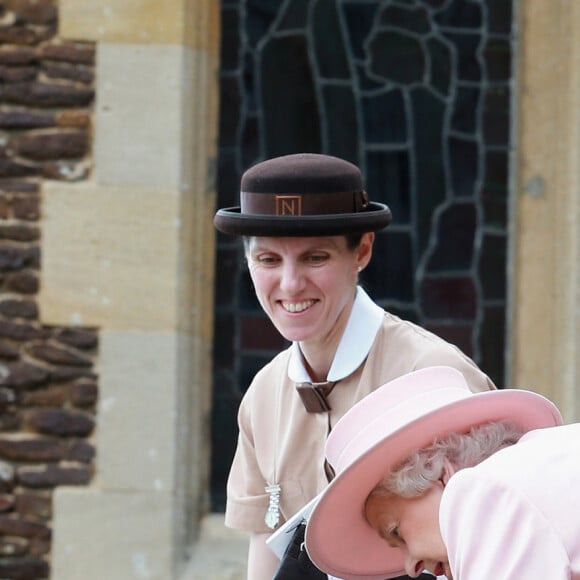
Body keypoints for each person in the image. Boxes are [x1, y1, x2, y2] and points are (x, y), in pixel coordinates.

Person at [213, 153, 496, 579]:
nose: (290, 284)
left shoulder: (436, 376)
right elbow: (265, 549)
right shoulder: (262, 394)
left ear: (361, 251)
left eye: (315, 258)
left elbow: (494, 543)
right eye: (269, 260)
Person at [304, 365, 576, 580]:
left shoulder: (478, 494)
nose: (411, 566)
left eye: (397, 532)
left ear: (441, 472)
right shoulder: (545, 454)